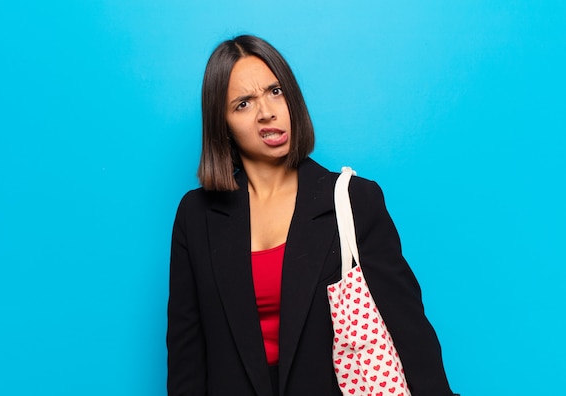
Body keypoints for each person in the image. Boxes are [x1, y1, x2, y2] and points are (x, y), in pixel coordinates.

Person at [167, 35, 456, 396]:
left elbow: (410, 334)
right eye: (243, 104)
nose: (267, 112)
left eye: (275, 91)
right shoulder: (196, 216)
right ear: (221, 124)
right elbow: (186, 357)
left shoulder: (353, 201)